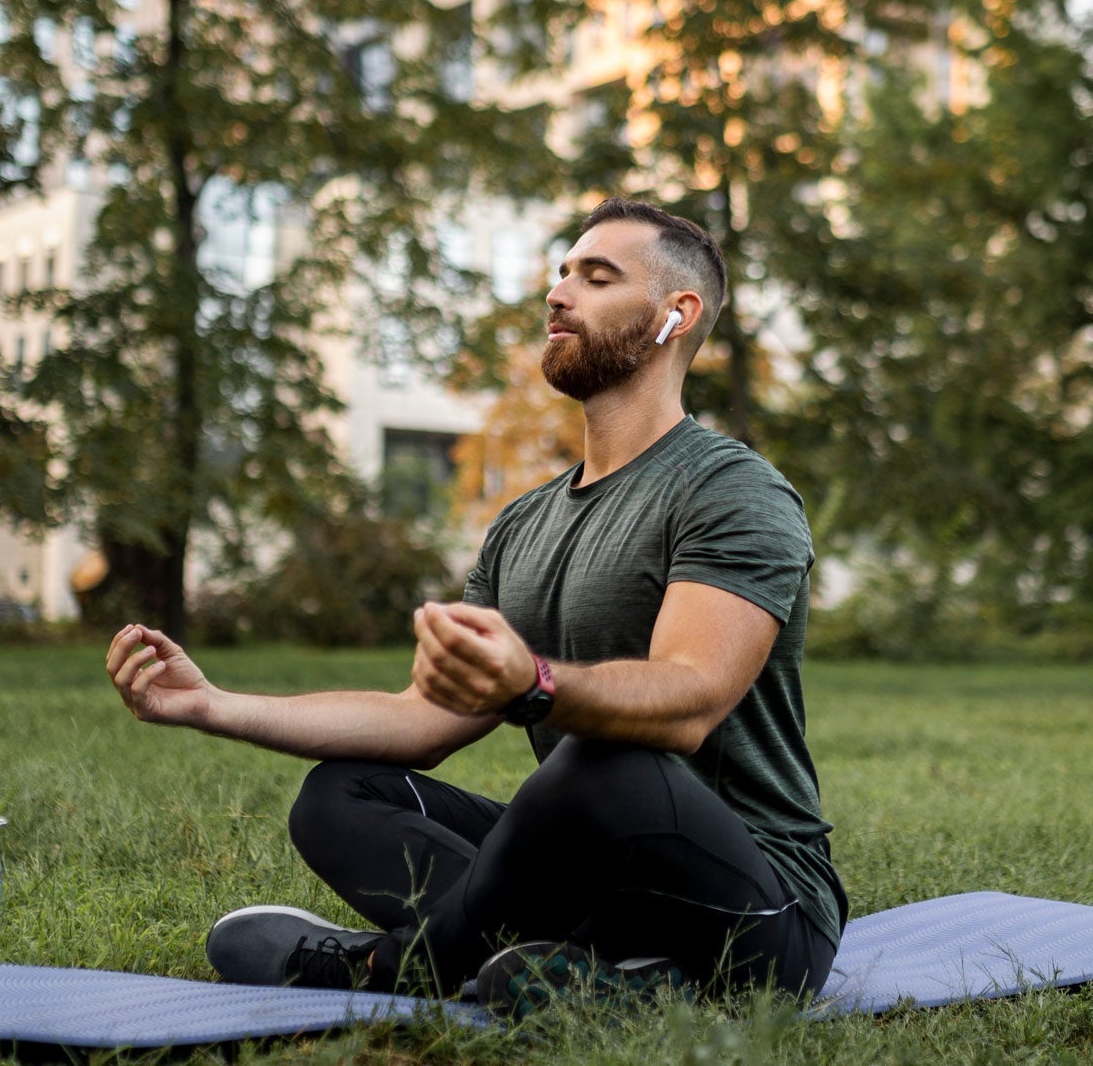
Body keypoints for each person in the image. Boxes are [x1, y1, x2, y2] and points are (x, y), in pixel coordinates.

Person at [102, 198, 843, 1011]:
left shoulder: (731, 490)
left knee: (600, 762)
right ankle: (591, 971)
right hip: (597, 880)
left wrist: (534, 683)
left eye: (597, 278)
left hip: (760, 913)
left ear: (678, 313)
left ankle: (391, 968)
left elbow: (690, 699)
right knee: (341, 794)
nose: (558, 294)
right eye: (562, 274)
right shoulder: (524, 523)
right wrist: (212, 705)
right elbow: (423, 721)